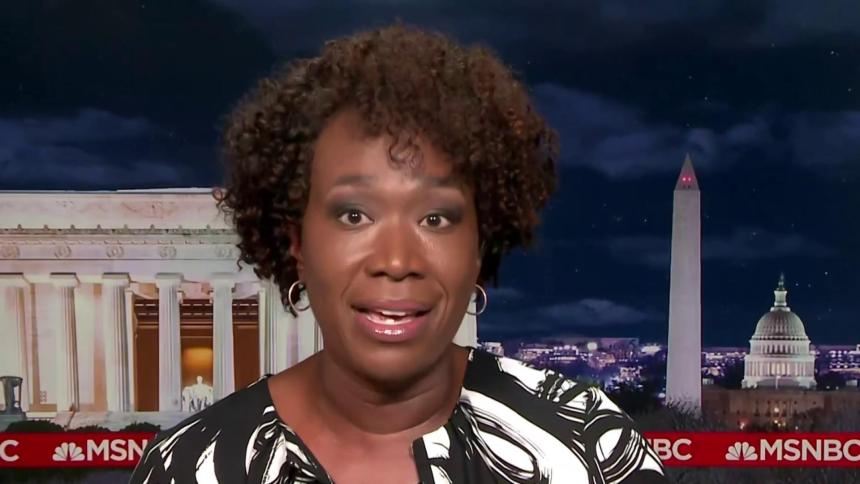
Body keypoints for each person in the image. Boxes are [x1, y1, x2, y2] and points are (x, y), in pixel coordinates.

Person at [130, 23, 667, 484]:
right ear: (296, 242)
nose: (395, 259)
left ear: (480, 246)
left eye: (436, 218)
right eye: (354, 215)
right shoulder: (189, 467)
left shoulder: (587, 444)